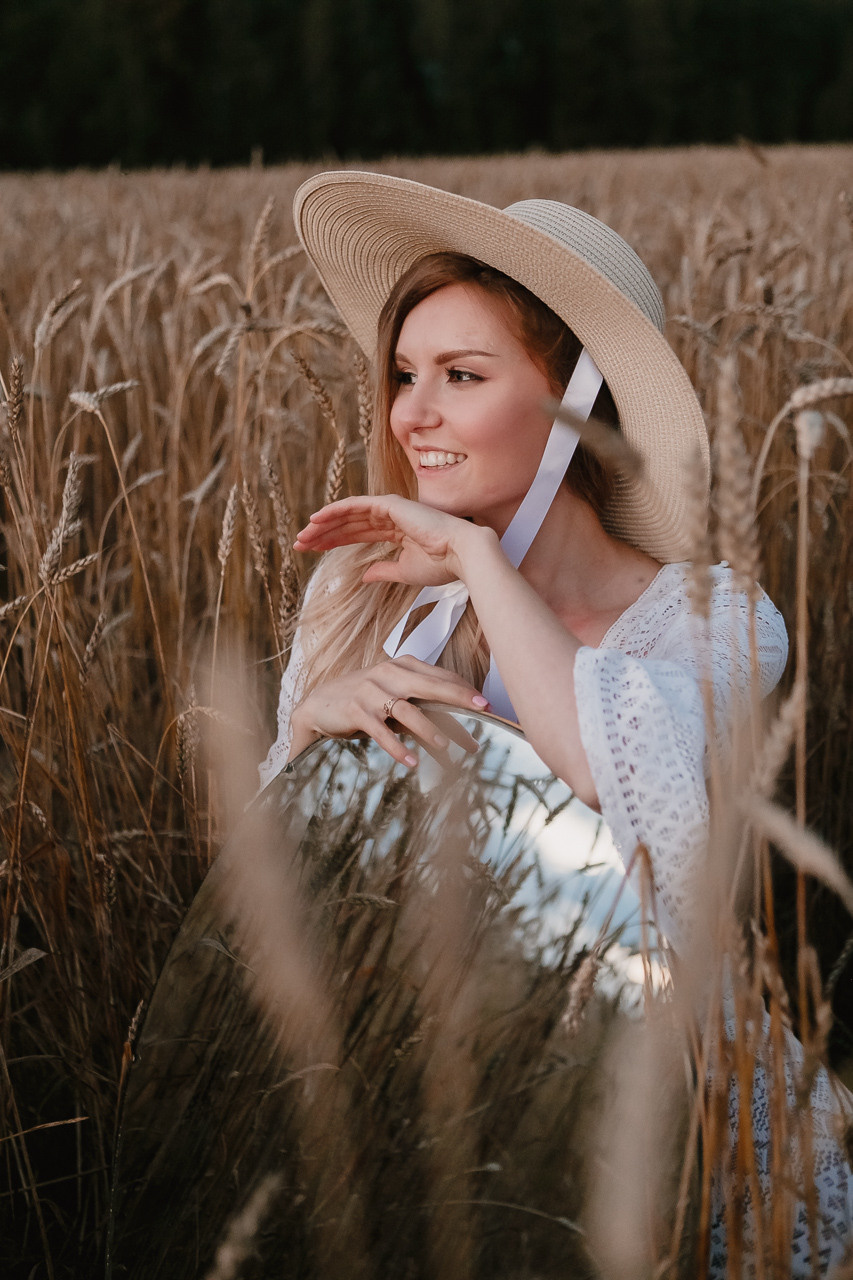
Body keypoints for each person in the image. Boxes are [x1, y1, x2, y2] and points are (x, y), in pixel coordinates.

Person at [257, 171, 850, 1274]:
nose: (409, 415)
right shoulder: (360, 594)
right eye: (403, 374)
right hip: (421, 1113)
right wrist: (305, 747)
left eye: (460, 375)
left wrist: (482, 560)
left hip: (658, 1127)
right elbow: (273, 898)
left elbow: (621, 798)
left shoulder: (714, 620)